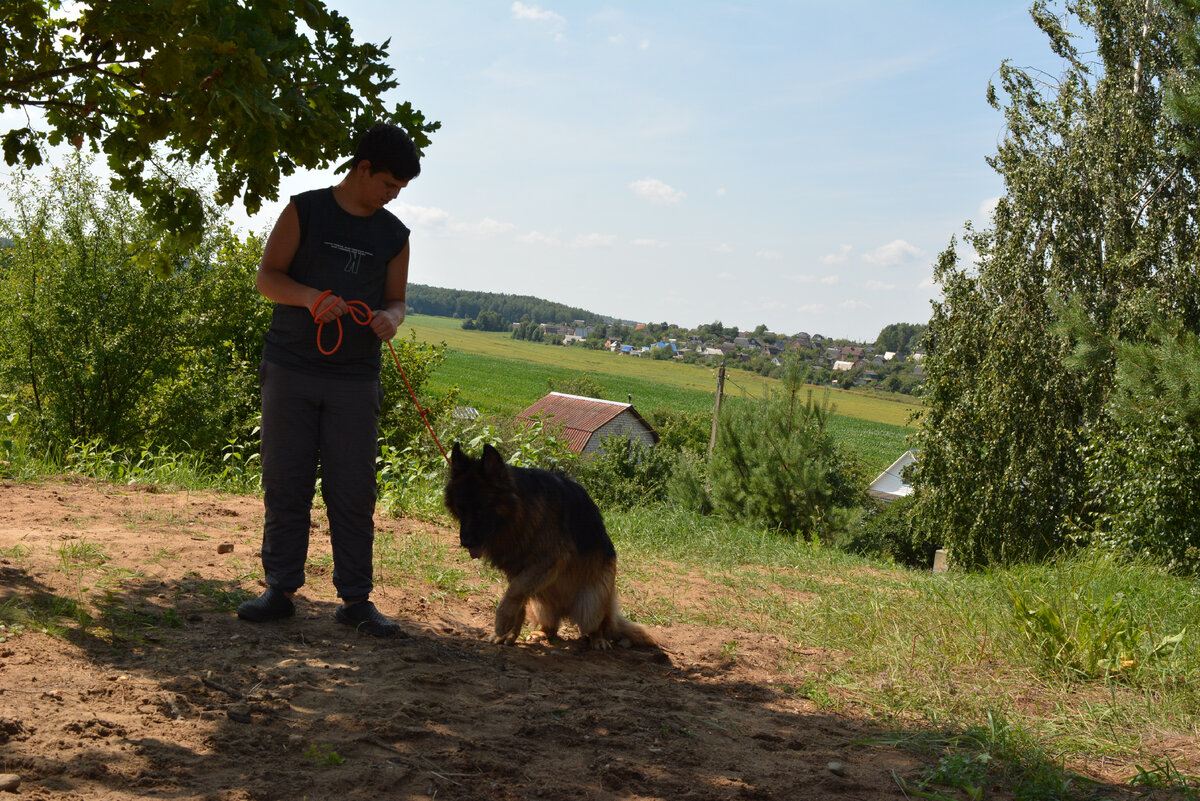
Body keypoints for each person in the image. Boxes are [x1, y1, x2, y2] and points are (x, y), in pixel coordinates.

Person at [236, 123, 420, 637]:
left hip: (355, 378)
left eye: (399, 190)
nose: (392, 195)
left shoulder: (394, 235)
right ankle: (280, 589)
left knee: (353, 488)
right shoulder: (305, 209)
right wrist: (310, 297)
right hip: (291, 365)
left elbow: (396, 300)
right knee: (286, 479)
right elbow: (268, 277)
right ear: (363, 168)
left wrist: (393, 318)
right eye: (388, 184)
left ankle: (356, 601)